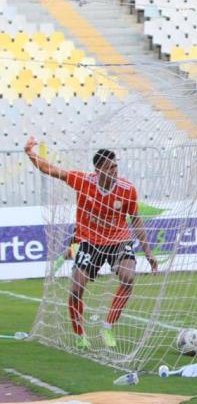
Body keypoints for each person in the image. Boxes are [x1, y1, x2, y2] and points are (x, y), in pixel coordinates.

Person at [24, 136, 156, 349]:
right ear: (99, 170)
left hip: (118, 240)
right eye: (110, 167)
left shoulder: (127, 189)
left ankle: (108, 326)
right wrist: (31, 153)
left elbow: (136, 219)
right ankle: (80, 335)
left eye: (116, 166)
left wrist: (148, 252)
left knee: (128, 277)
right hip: (90, 241)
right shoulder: (84, 181)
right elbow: (51, 170)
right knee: (76, 289)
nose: (115, 171)